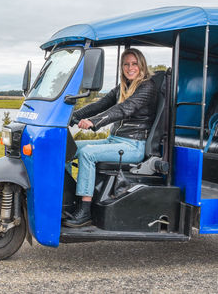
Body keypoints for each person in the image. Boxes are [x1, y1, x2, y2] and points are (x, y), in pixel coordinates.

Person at [63, 48, 158, 227]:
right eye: (126, 64)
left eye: (134, 64)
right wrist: (71, 117)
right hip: (115, 140)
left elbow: (124, 109)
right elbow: (100, 104)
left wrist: (94, 122)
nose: (130, 68)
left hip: (134, 145)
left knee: (88, 153)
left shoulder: (147, 87)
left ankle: (84, 210)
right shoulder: (123, 87)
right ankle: (67, 197)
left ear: (141, 65)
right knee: (67, 146)